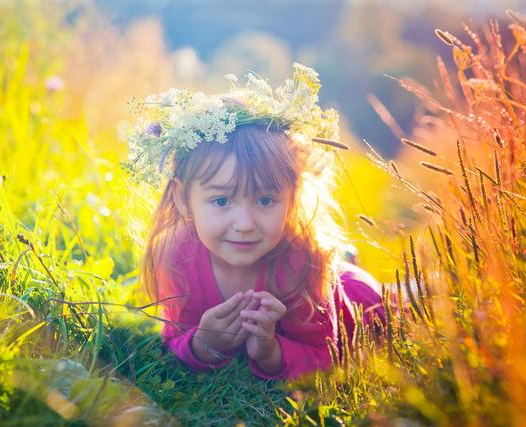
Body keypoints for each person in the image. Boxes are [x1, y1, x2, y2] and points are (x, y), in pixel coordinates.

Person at [125, 64, 385, 380]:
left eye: (265, 200)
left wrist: (272, 352)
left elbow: (325, 357)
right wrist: (204, 343)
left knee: (394, 303)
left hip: (357, 300)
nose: (245, 223)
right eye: (222, 201)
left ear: (291, 197)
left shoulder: (303, 262)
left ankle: (360, 274)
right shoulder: (179, 254)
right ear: (183, 199)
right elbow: (173, 340)